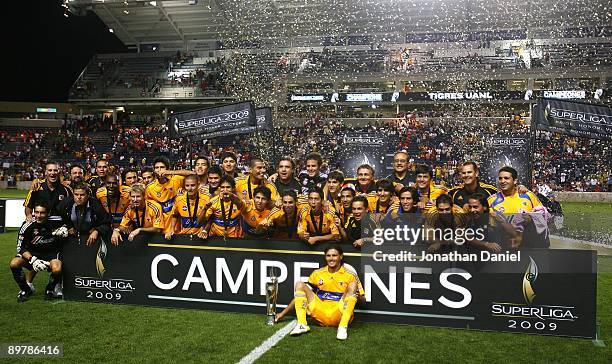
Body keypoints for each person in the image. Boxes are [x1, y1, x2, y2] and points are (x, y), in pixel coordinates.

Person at [289, 245, 362, 340]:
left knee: (352, 285)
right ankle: (302, 324)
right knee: (300, 284)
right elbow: (301, 295)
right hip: (320, 312)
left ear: (341, 256)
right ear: (325, 257)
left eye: (334, 255)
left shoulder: (350, 275)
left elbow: (363, 301)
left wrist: (354, 294)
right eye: (328, 255)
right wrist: (282, 314)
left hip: (338, 312)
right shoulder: (317, 273)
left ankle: (343, 327)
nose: (331, 258)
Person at [10, 203, 65, 301]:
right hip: (32, 254)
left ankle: (50, 289)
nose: (39, 216)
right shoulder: (27, 225)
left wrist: (65, 229)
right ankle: (26, 289)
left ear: (48, 214)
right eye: (37, 212)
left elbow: (69, 223)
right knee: (14, 264)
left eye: (42, 213)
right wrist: (33, 260)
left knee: (57, 269)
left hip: (50, 254)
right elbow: (20, 247)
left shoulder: (56, 222)